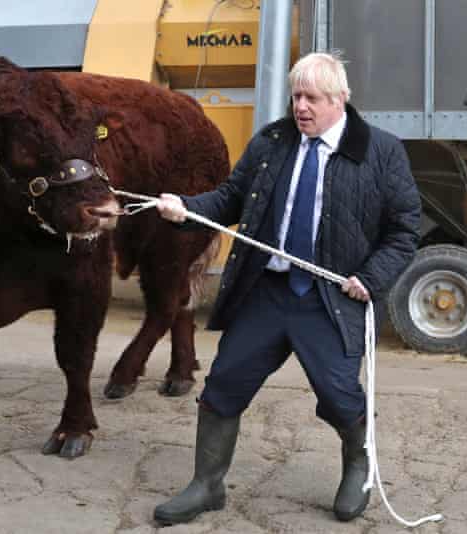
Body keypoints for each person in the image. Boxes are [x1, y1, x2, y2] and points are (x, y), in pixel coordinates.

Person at [152, 52, 421, 524]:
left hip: (331, 300)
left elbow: (404, 232)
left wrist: (371, 278)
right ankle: (207, 485)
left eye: (312, 98)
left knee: (340, 396)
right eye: (296, 95)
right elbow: (230, 197)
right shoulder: (273, 141)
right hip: (268, 290)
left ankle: (358, 465)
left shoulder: (380, 151)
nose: (301, 106)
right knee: (223, 385)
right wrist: (184, 208)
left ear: (339, 100)